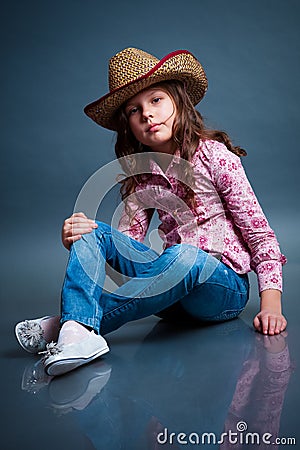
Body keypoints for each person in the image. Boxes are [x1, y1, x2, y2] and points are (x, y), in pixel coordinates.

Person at [15, 47, 287, 377]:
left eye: (156, 100)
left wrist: (271, 303)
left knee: (185, 256)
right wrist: (81, 238)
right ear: (128, 125)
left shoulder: (216, 157)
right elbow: (129, 249)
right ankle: (78, 334)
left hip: (221, 290)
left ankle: (69, 323)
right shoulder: (140, 177)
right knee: (92, 229)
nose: (147, 114)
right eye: (135, 110)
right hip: (169, 299)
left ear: (177, 101)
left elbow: (258, 234)